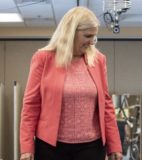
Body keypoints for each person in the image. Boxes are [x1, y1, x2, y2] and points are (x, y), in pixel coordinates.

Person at [19, 6, 122, 160]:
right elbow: (31, 105)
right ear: (71, 32)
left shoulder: (99, 60)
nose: (91, 42)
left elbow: (106, 105)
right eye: (87, 36)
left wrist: (114, 145)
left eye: (94, 37)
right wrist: (26, 147)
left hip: (91, 147)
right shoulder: (43, 58)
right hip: (51, 148)